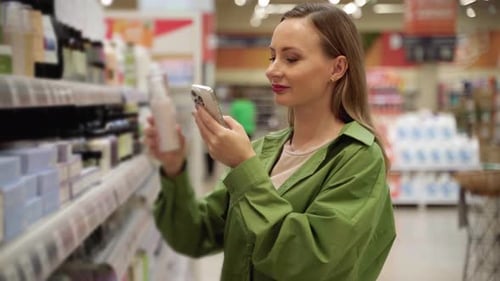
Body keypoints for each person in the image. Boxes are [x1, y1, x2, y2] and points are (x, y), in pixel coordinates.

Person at [144, 3, 396, 280]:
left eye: (291, 59)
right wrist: (173, 168)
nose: (272, 70)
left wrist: (244, 167)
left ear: (337, 68)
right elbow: (193, 235)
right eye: (272, 57)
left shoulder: (358, 158)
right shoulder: (264, 150)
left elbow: (307, 262)